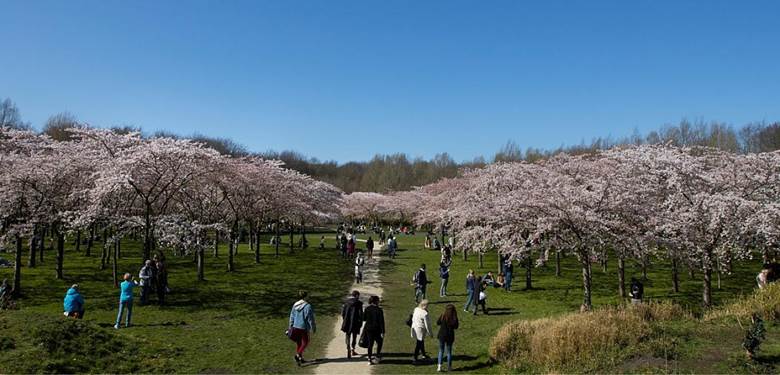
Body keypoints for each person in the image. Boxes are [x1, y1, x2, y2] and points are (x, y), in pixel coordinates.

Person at [289, 290, 317, 365]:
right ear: (306, 297)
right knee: (306, 342)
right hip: (303, 327)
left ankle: (300, 359)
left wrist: (290, 325)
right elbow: (310, 318)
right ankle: (297, 355)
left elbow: (292, 316)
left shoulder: (295, 305)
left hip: (295, 326)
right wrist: (313, 327)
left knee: (299, 343)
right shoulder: (308, 306)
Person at [436, 304, 459, 372]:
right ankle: (449, 367)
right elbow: (456, 327)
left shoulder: (443, 315)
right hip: (450, 336)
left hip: (442, 335)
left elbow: (437, 322)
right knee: (449, 352)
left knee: (441, 351)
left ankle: (439, 366)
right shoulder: (454, 317)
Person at [341, 290, 364, 358]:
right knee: (354, 336)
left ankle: (348, 347)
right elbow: (361, 314)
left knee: (347, 335)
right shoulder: (359, 303)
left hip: (347, 321)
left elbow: (343, 313)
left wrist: (344, 320)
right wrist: (360, 322)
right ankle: (353, 349)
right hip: (355, 322)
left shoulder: (347, 302)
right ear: (357, 295)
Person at [363, 295, 385, 364]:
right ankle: (377, 356)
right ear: (376, 301)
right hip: (377, 329)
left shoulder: (367, 309)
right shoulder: (379, 310)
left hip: (369, 329)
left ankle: (369, 358)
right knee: (379, 342)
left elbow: (364, 319)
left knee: (370, 344)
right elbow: (381, 322)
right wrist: (383, 331)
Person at [410, 299, 433, 363]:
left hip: (415, 327)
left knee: (421, 342)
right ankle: (415, 358)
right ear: (424, 305)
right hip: (420, 330)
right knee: (419, 343)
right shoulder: (424, 313)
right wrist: (430, 333)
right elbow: (427, 324)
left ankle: (423, 354)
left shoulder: (416, 309)